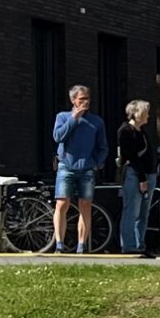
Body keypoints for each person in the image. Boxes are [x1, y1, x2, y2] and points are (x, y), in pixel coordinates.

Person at [51, 85, 108, 254]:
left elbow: (103, 146)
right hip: (66, 166)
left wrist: (98, 162)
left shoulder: (97, 122)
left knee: (85, 204)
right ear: (73, 100)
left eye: (88, 98)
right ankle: (59, 244)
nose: (86, 102)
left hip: (87, 168)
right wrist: (74, 118)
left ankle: (81, 245)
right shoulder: (62, 117)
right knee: (62, 203)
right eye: (82, 99)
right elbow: (58, 137)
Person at [115, 100, 157, 257]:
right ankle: (129, 245)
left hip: (149, 174)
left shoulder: (142, 131)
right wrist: (142, 179)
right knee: (131, 210)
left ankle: (140, 244)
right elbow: (131, 156)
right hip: (136, 175)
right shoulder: (126, 131)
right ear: (137, 113)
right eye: (146, 111)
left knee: (143, 213)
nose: (148, 115)